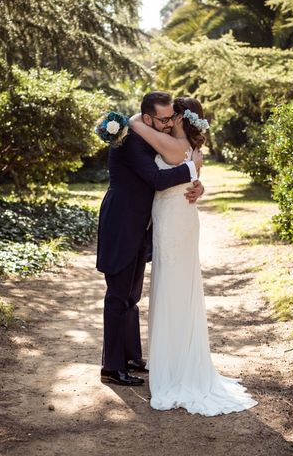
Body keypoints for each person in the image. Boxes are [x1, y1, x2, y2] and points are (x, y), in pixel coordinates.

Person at [129, 97, 258, 416]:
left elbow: (135, 123)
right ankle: (175, 360)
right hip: (179, 218)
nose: (167, 119)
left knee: (172, 290)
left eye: (172, 116)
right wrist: (197, 183)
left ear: (179, 118)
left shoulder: (175, 146)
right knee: (178, 289)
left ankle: (175, 369)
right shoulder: (184, 146)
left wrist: (130, 121)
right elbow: (188, 173)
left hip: (174, 223)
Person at [96, 92, 204, 386]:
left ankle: (131, 356)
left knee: (132, 297)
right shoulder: (129, 140)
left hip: (140, 227)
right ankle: (111, 367)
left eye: (172, 117)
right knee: (118, 296)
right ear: (147, 118)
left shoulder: (149, 135)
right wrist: (192, 166)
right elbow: (157, 180)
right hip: (121, 224)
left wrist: (197, 183)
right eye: (165, 118)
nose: (170, 123)